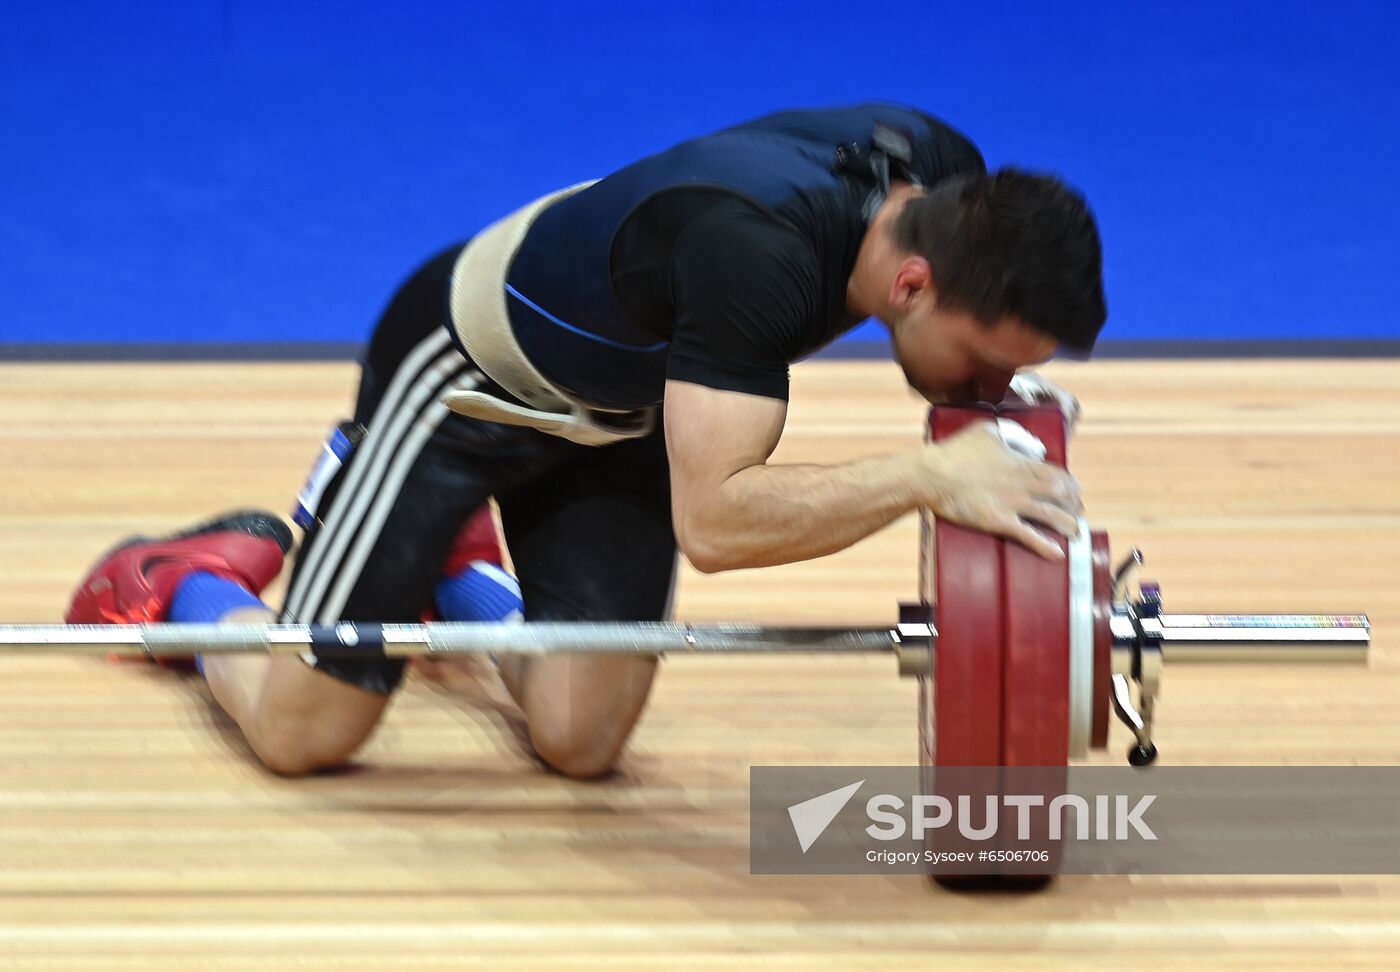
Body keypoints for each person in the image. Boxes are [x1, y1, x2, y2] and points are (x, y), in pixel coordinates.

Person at [66, 102, 1106, 779]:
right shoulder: (757, 253)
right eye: (983, 360)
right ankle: (185, 586)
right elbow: (715, 521)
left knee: (579, 741)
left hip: (626, 406)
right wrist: (928, 474)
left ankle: (458, 571)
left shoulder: (947, 187)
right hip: (462, 386)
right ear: (911, 284)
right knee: (301, 738)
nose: (998, 389)